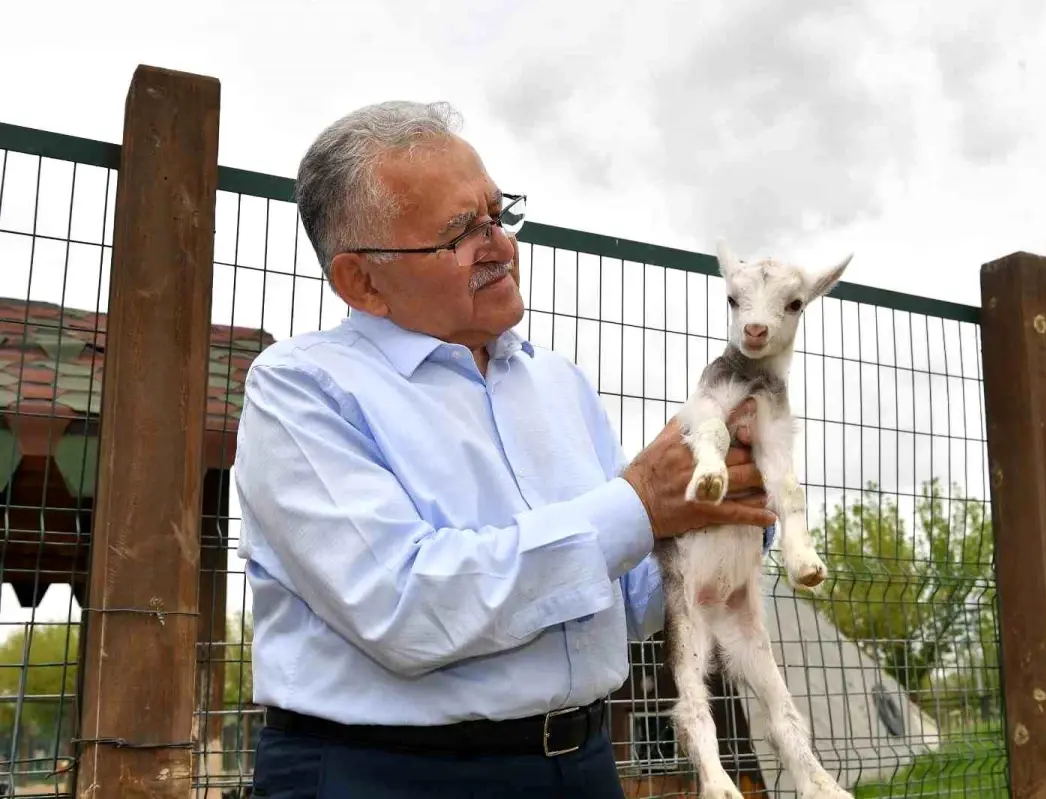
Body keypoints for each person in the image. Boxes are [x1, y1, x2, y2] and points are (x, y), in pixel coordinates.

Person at [234, 100, 778, 798]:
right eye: (460, 231)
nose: (500, 245)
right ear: (361, 281)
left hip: (579, 765)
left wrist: (720, 509)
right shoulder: (301, 389)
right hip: (387, 775)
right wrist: (640, 503)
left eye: (498, 214)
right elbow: (407, 608)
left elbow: (619, 601)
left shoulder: (557, 382)